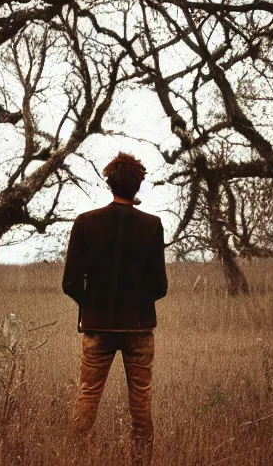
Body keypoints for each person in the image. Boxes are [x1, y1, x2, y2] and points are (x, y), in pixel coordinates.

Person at [62, 152, 168, 466]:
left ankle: (76, 460)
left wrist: (93, 305)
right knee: (141, 403)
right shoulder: (152, 225)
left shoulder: (85, 222)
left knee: (88, 396)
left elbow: (70, 283)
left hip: (96, 327)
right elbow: (160, 287)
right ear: (138, 185)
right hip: (138, 329)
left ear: (109, 183)